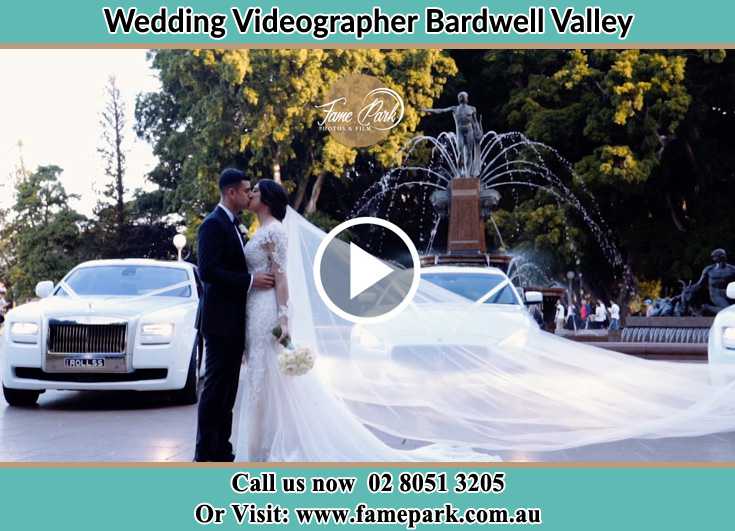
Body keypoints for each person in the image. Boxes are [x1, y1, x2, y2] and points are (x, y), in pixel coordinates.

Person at [194, 168, 276, 462]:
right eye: (245, 190)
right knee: (215, 388)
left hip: (235, 321)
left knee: (228, 390)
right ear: (231, 193)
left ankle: (222, 449)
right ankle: (204, 454)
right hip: (218, 323)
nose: (248, 193)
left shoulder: (235, 225)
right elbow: (208, 271)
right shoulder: (212, 225)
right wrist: (251, 281)